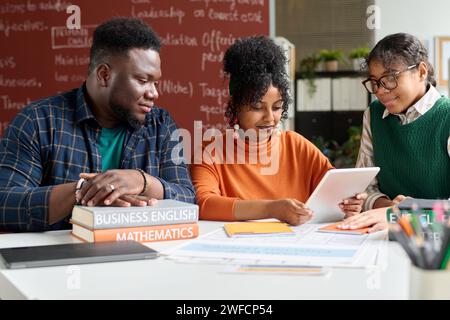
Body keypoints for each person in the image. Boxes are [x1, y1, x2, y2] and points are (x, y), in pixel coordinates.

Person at [0, 17, 195, 232]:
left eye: (155, 82)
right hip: (61, 260)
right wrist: (84, 191)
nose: (154, 93)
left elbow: (187, 198)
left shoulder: (162, 125)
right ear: (104, 75)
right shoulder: (38, 121)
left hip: (141, 255)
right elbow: (5, 202)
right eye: (142, 80)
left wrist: (142, 181)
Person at [190, 36, 366, 226]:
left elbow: (334, 189)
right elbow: (203, 203)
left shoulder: (296, 146)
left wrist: (349, 202)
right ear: (235, 106)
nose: (269, 118)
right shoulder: (211, 151)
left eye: (276, 107)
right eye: (257, 107)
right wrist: (272, 209)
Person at [338, 33, 450, 233]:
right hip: (383, 232)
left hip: (439, 239)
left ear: (421, 72)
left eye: (390, 78)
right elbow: (364, 188)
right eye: (374, 82)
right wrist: (390, 209)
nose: (380, 91)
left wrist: (409, 213)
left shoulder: (446, 116)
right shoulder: (373, 115)